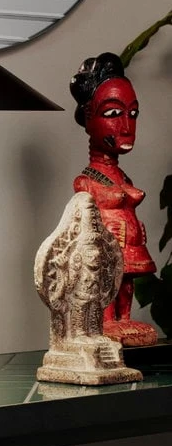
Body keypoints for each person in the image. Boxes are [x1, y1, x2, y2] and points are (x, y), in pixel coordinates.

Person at [70, 52, 157, 346]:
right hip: (107, 253)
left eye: (133, 114)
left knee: (127, 283)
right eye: (112, 114)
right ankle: (107, 321)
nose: (126, 127)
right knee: (108, 282)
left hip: (130, 250)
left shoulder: (123, 178)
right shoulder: (86, 181)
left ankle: (124, 319)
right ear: (88, 117)